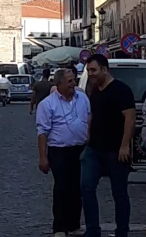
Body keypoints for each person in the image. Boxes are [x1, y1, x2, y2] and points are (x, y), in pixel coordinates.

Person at [81, 54, 136, 237]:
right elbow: (93, 115)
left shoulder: (121, 90)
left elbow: (130, 117)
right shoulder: (94, 90)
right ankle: (92, 230)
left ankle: (122, 231)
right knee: (86, 187)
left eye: (94, 70)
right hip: (94, 148)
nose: (91, 74)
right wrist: (88, 136)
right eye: (89, 71)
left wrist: (125, 146)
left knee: (119, 193)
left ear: (105, 69)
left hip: (116, 150)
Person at [37, 68, 90, 237]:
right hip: (58, 150)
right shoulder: (47, 104)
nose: (74, 84)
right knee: (62, 187)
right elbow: (42, 132)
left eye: (74, 80)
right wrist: (43, 157)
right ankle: (59, 227)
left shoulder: (82, 98)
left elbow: (89, 116)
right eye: (69, 82)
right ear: (58, 84)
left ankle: (74, 224)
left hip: (80, 149)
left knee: (78, 187)